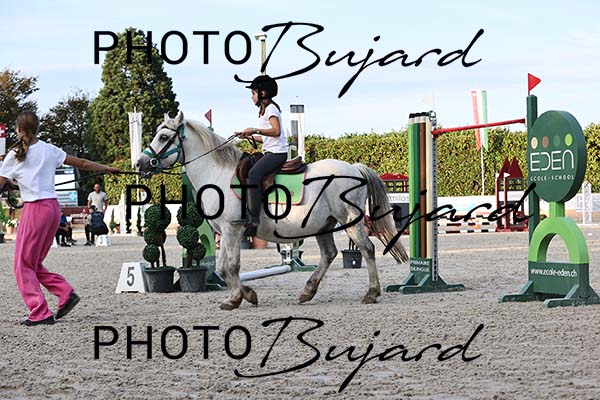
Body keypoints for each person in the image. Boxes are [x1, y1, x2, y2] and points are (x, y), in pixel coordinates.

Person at [0, 111, 120, 326]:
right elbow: (82, 163)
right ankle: (65, 293)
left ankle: (40, 312)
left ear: (18, 130)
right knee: (33, 263)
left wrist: (9, 182)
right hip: (53, 209)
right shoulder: (49, 149)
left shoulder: (14, 154)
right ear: (37, 128)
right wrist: (106, 168)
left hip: (34, 209)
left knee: (22, 264)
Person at [233, 75, 288, 231]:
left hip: (277, 153)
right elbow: (265, 138)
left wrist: (255, 129)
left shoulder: (271, 109)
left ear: (262, 93)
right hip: (271, 151)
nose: (252, 97)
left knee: (253, 174)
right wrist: (248, 136)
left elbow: (276, 131)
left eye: (253, 93)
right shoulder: (264, 111)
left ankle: (254, 219)